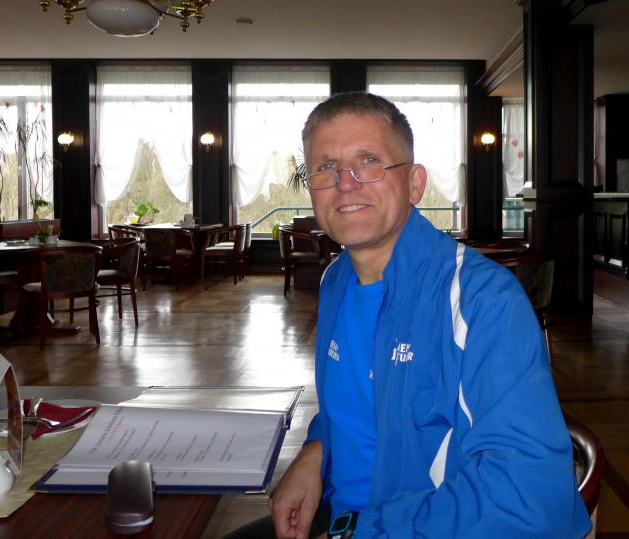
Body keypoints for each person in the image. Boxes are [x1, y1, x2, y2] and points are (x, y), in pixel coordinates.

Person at [228, 92, 591, 538]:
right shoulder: (335, 282)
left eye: (369, 161)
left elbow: (530, 500)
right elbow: (359, 406)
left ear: (415, 184)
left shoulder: (483, 301)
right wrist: (317, 450)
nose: (346, 183)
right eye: (326, 167)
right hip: (341, 513)